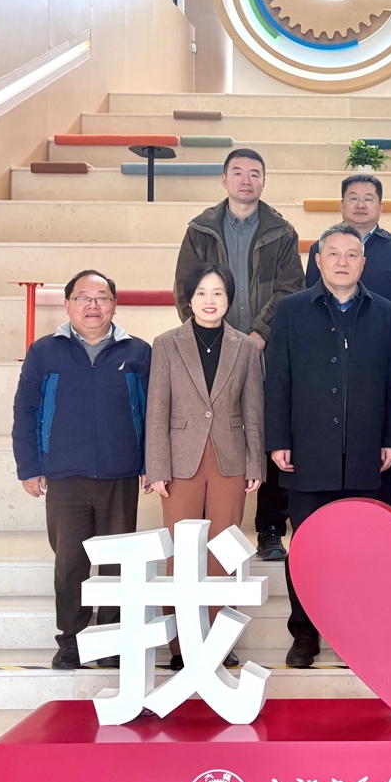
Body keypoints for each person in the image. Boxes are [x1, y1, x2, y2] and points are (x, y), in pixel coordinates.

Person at [266, 222, 391, 669]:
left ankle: (356, 630)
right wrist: (278, 440)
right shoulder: (291, 311)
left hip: (367, 453)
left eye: (352, 254)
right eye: (333, 254)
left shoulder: (384, 312)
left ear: (364, 262)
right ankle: (304, 632)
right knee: (308, 549)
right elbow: (278, 380)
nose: (342, 262)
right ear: (318, 260)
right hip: (307, 451)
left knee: (365, 549)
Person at [12, 270, 150, 670]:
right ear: (68, 304)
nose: (93, 305)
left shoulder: (138, 352)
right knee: (70, 562)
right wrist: (29, 466)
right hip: (64, 475)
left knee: (116, 563)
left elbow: (154, 413)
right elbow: (25, 410)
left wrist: (149, 463)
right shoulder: (44, 352)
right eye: (83, 298)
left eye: (102, 298)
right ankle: (71, 640)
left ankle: (109, 640)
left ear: (114, 305)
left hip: (120, 474)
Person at [174, 147, 304, 563]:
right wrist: (212, 338)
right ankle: (206, 525)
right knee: (219, 428)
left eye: (254, 173)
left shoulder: (281, 232)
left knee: (270, 433)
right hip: (214, 350)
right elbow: (185, 290)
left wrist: (258, 335)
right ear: (224, 180)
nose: (246, 180)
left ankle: (270, 529)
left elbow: (289, 290)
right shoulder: (200, 230)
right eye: (238, 172)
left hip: (268, 351)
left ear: (264, 181)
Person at [145, 263, 264, 671]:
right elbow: (157, 410)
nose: (209, 301)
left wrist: (255, 462)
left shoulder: (244, 346)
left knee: (224, 551)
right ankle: (181, 645)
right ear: (189, 298)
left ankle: (218, 642)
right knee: (181, 552)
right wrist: (156, 466)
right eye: (201, 293)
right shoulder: (167, 344)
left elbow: (253, 409)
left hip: (231, 458)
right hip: (180, 460)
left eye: (218, 293)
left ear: (229, 299)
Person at [304, 172, 391, 505]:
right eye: (353, 198)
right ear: (342, 204)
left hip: (379, 362)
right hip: (327, 363)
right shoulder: (321, 247)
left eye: (369, 198)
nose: (361, 204)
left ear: (381, 205)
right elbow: (310, 301)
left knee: (376, 451)